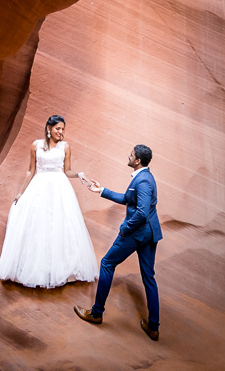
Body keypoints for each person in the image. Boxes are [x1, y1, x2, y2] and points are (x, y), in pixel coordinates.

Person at [0, 114, 99, 288]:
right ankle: (37, 268)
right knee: (38, 226)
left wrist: (79, 174)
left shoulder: (65, 147)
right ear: (49, 128)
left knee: (60, 226)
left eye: (63, 129)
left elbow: (67, 171)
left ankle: (59, 268)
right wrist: (21, 193)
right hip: (39, 188)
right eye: (58, 128)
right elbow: (31, 171)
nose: (61, 132)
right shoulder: (36, 146)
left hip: (60, 189)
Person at [74, 144, 162, 340]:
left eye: (131, 155)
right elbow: (128, 199)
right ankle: (153, 327)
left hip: (137, 233)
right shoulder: (143, 177)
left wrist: (125, 229)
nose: (128, 156)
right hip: (149, 232)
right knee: (149, 277)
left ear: (137, 160)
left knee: (106, 263)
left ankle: (96, 314)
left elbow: (141, 212)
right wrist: (101, 190)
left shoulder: (143, 181)